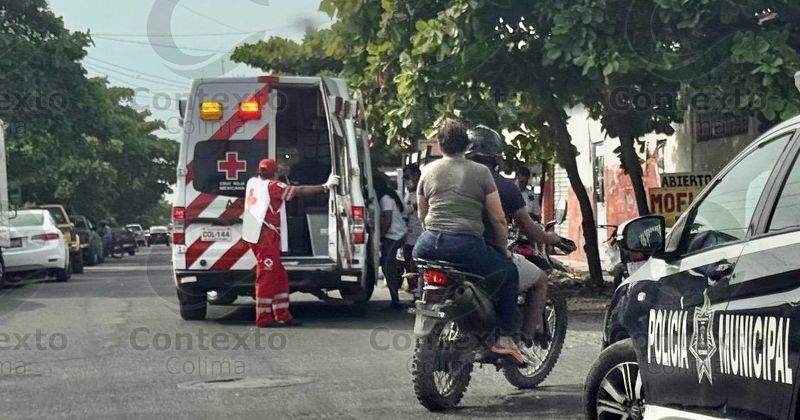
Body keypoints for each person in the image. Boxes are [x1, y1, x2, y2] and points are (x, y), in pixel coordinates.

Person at [412, 118, 522, 363]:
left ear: (440, 146)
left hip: (427, 244)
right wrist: (503, 250)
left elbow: (422, 214)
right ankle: (503, 338)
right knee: (509, 273)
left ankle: (424, 311)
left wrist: (433, 235)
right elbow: (498, 219)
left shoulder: (427, 171)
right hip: (465, 246)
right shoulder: (481, 172)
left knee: (427, 272)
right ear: (466, 144)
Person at [466, 125, 562, 344]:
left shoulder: (454, 179)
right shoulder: (503, 186)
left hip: (447, 252)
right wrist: (549, 238)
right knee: (540, 279)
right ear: (496, 156)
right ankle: (521, 338)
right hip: (487, 256)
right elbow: (527, 226)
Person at [242, 158, 339, 328]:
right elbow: (298, 190)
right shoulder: (271, 186)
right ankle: (263, 317)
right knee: (267, 276)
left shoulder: (253, 183)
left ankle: (283, 314)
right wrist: (325, 186)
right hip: (265, 237)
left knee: (280, 275)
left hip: (257, 235)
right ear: (275, 172)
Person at [374, 173, 408, 309]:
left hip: (393, 235)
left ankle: (395, 299)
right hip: (398, 234)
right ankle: (395, 298)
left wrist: (380, 235)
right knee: (389, 266)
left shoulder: (385, 199)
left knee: (388, 267)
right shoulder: (395, 194)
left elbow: (387, 220)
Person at [401, 164, 423, 294]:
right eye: (405, 177)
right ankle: (413, 288)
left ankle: (417, 289)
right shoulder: (409, 194)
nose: (407, 180)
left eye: (408, 177)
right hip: (409, 235)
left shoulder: (421, 193)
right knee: (408, 263)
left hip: (419, 235)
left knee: (415, 264)